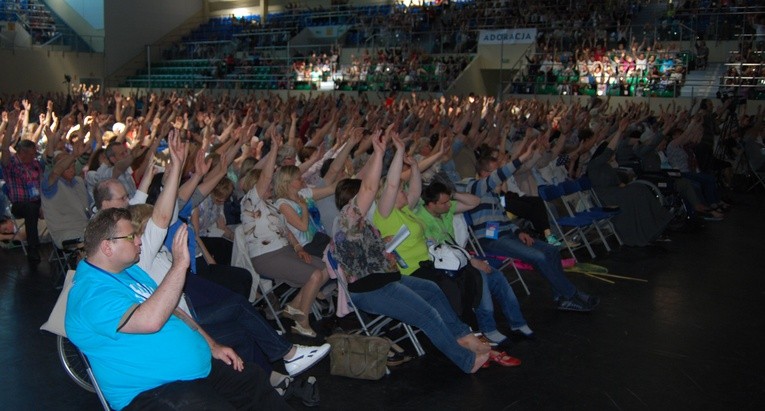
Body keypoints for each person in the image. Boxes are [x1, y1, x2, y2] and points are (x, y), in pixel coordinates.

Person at [65, 208, 290, 411]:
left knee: (252, 380)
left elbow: (174, 310)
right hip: (151, 391)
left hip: (194, 370)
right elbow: (150, 321)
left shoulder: (128, 272)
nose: (139, 241)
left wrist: (212, 345)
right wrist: (179, 264)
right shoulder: (90, 294)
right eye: (132, 236)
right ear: (107, 246)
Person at [331, 128, 491, 374]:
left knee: (433, 290)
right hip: (372, 289)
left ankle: (462, 335)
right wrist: (379, 152)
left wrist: (399, 152)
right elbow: (372, 187)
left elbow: (391, 184)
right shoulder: (347, 220)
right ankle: (466, 361)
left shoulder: (361, 224)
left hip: (387, 278)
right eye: (366, 198)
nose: (372, 199)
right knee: (427, 315)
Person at [460, 141, 600, 312]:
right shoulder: (475, 187)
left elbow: (505, 220)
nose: (501, 178)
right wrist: (522, 158)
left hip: (507, 235)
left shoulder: (496, 195)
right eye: (495, 173)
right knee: (538, 257)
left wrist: (519, 231)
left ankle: (561, 297)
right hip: (491, 240)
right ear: (483, 173)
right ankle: (573, 294)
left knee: (551, 251)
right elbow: (499, 175)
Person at [416, 181, 534, 344]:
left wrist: (452, 194)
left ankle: (517, 323)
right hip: (443, 265)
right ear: (431, 204)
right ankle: (488, 329)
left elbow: (475, 202)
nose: (449, 205)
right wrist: (472, 261)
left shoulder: (445, 210)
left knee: (497, 277)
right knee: (481, 279)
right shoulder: (421, 219)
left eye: (449, 201)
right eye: (444, 203)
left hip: (460, 258)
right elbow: (437, 253)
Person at [240, 135, 328, 338]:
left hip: (285, 251)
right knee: (314, 275)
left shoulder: (272, 204)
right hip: (267, 256)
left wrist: (298, 248)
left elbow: (287, 231)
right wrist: (274, 149)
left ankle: (294, 306)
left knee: (324, 270)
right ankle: (302, 321)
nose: (271, 187)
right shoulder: (250, 202)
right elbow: (265, 178)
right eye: (268, 185)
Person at [1, 130, 44, 263]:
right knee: (31, 209)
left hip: (37, 201)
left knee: (45, 204)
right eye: (31, 154)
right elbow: (5, 149)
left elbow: (41, 184)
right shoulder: (11, 164)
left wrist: (44, 204)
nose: (34, 156)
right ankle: (33, 248)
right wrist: (12, 126)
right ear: (22, 153)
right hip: (20, 205)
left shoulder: (35, 164)